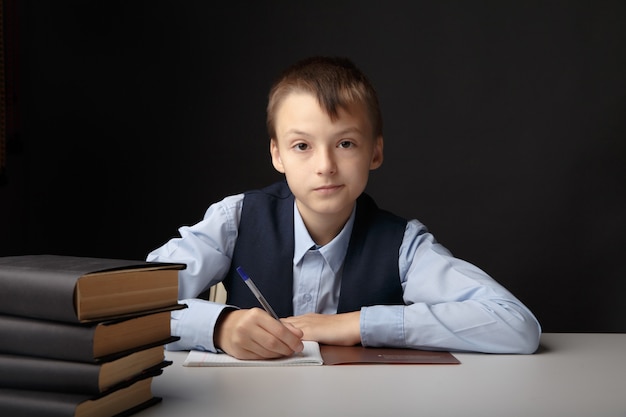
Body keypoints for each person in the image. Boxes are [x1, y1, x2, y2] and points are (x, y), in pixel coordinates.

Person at [147, 56, 541, 360]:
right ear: (277, 154)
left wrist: (355, 324)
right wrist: (218, 327)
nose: (325, 166)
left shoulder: (402, 245)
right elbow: (126, 306)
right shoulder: (235, 220)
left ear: (376, 151)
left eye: (346, 143)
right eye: (302, 146)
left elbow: (516, 325)